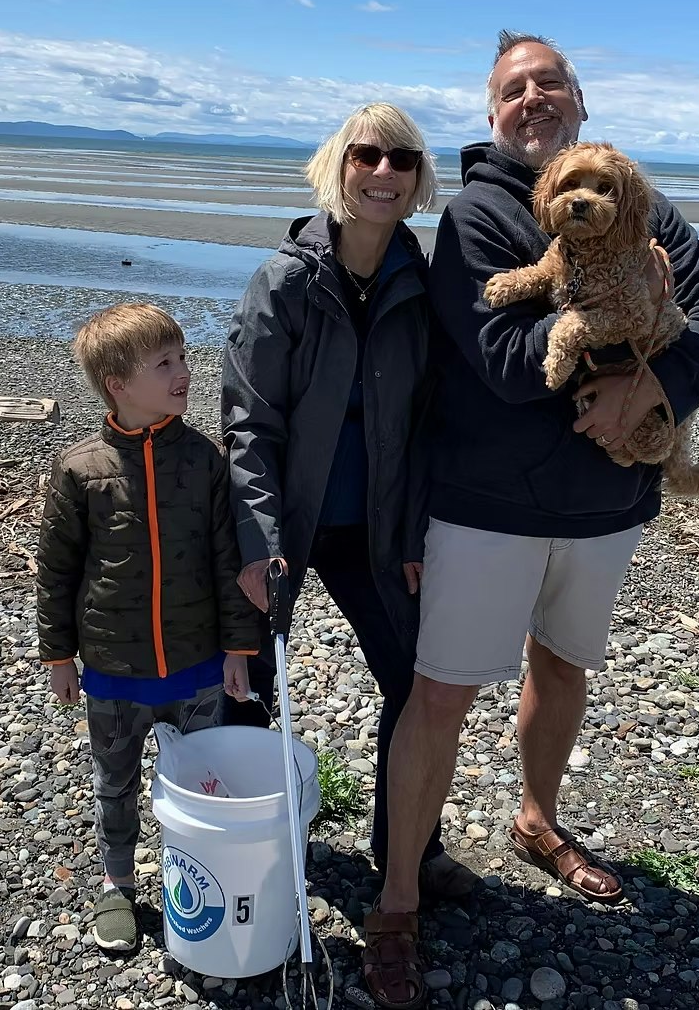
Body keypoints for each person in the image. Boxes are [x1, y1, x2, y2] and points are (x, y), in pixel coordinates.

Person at [361, 33, 699, 1009]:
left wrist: (648, 387)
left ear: (578, 101)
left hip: (608, 506)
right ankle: (398, 901)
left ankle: (538, 820)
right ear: (492, 115)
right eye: (512, 89)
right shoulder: (478, 216)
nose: (532, 99)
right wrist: (623, 379)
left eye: (548, 84)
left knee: (564, 668)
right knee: (440, 693)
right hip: (485, 508)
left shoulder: (641, 203)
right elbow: (502, 357)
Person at [221, 102, 480, 904]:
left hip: (374, 531)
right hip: (286, 528)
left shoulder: (423, 282)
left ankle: (409, 849)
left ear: (417, 181)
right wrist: (258, 542)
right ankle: (248, 847)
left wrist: (410, 533)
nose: (383, 173)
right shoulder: (285, 281)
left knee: (413, 681)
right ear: (338, 165)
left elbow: (430, 423)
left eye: (402, 161)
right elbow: (248, 423)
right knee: (246, 687)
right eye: (366, 155)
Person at [37, 302, 260, 954]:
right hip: (114, 669)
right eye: (165, 364)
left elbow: (227, 561)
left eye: (184, 357)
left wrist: (238, 650)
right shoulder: (80, 469)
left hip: (197, 664)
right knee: (116, 782)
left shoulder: (205, 461)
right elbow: (56, 571)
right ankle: (117, 883)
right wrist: (58, 657)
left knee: (201, 781)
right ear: (119, 385)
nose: (185, 372)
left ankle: (197, 872)